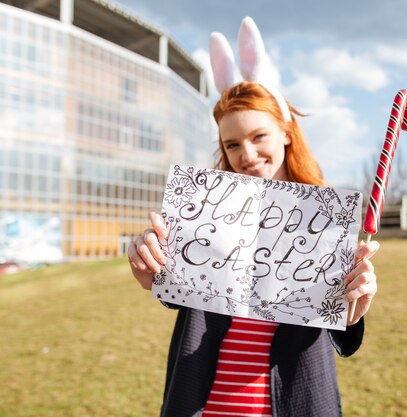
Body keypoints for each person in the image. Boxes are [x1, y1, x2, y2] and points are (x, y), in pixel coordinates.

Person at [127, 18, 379, 417]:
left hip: (293, 403)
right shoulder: (203, 212)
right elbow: (182, 291)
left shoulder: (326, 219)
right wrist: (153, 267)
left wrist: (353, 307)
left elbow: (338, 328)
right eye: (232, 144)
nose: (246, 154)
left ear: (286, 132)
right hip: (204, 404)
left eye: (258, 136)